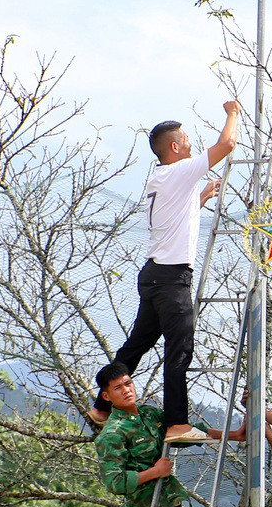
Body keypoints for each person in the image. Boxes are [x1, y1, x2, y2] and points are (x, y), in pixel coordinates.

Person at [88, 100, 244, 442]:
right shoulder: (179, 170)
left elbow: (171, 220)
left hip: (155, 275)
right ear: (174, 147)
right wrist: (232, 112)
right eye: (186, 140)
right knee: (179, 351)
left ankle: (100, 406)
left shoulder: (160, 178)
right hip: (172, 280)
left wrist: (199, 197)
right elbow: (227, 145)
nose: (190, 145)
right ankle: (177, 423)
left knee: (136, 346)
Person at [94, 367, 245, 507]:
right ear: (106, 395)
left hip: (168, 499)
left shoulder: (149, 414)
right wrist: (154, 472)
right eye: (118, 388)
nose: (126, 390)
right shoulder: (113, 433)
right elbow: (115, 482)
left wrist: (232, 434)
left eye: (128, 383)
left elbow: (184, 434)